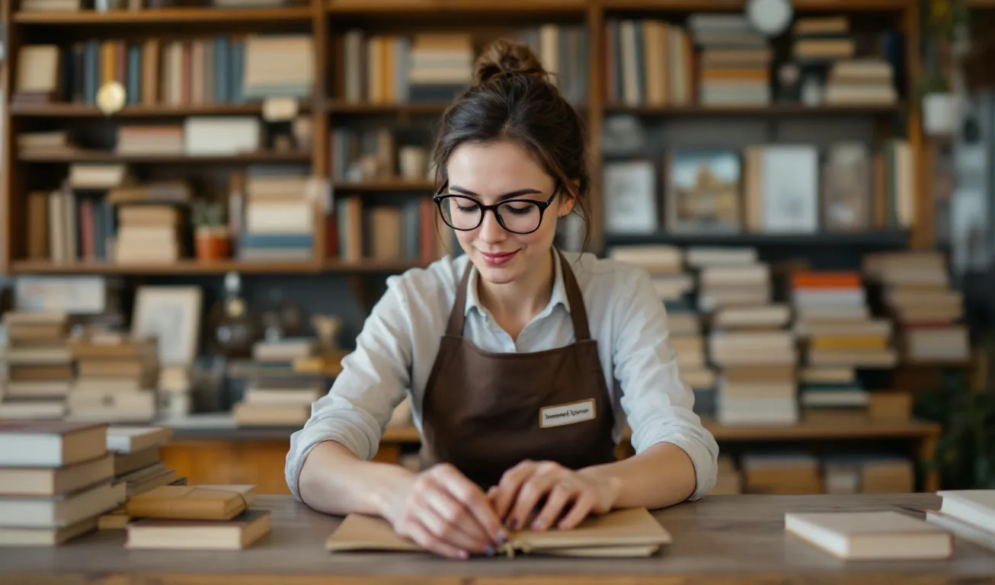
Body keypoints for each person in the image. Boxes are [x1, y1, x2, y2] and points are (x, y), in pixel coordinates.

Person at [285, 39, 719, 560]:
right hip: (447, 562)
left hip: (585, 559)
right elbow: (312, 455)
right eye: (465, 204)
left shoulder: (619, 294)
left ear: (567, 196)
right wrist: (392, 492)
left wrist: (600, 485)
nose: (489, 235)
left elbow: (686, 450)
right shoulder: (414, 301)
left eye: (518, 206)